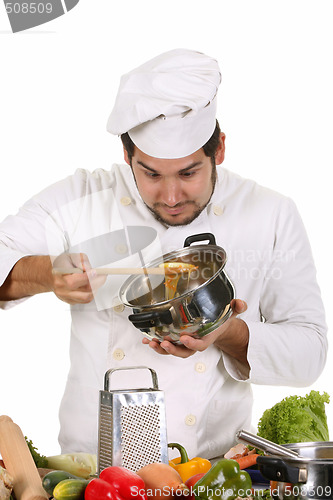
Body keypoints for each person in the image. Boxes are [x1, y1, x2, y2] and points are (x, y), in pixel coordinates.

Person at [0, 49, 327, 460]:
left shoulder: (270, 213)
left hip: (211, 472)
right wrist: (49, 274)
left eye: (189, 173)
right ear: (127, 156)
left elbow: (310, 353)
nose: (171, 197)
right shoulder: (82, 198)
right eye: (151, 174)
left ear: (219, 150)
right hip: (95, 474)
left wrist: (227, 333)